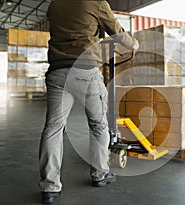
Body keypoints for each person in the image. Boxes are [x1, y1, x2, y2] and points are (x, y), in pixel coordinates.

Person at [39, 0, 139, 204]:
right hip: (84, 70)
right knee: (98, 124)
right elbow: (119, 34)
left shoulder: (54, 6)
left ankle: (50, 188)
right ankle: (100, 173)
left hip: (57, 72)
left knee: (53, 128)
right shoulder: (96, 3)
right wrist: (134, 44)